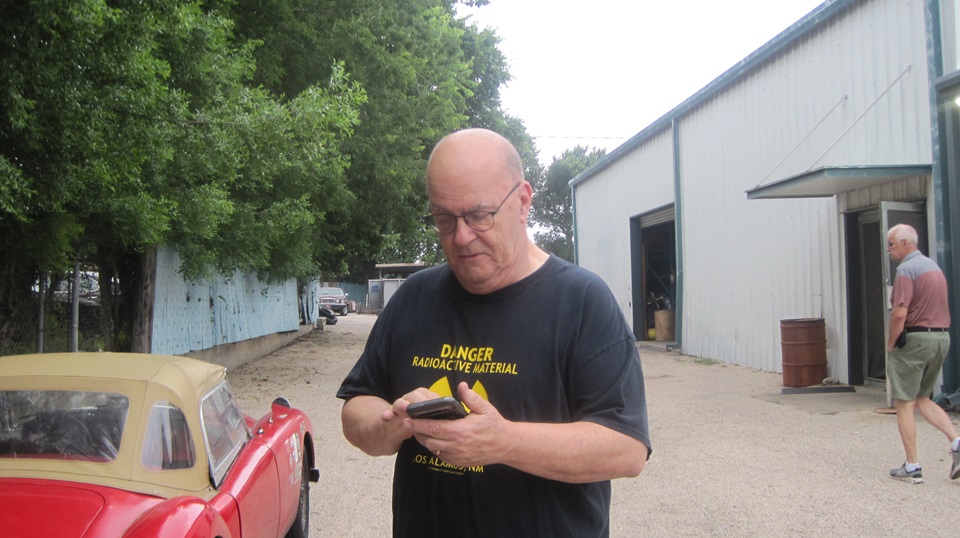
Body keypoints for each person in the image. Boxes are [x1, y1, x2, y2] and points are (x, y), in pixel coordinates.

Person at [337, 128, 651, 536]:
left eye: (479, 215)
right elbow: (356, 406)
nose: (461, 236)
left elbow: (626, 449)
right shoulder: (414, 297)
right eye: (444, 219)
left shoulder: (581, 302)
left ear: (523, 202)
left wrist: (504, 442)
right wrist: (390, 425)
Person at [884, 223, 958, 483]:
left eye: (891, 244)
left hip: (915, 341)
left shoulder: (906, 269)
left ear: (906, 243)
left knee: (904, 403)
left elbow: (899, 313)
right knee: (923, 398)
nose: (888, 250)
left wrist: (891, 343)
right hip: (941, 337)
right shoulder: (933, 267)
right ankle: (957, 442)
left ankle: (912, 467)